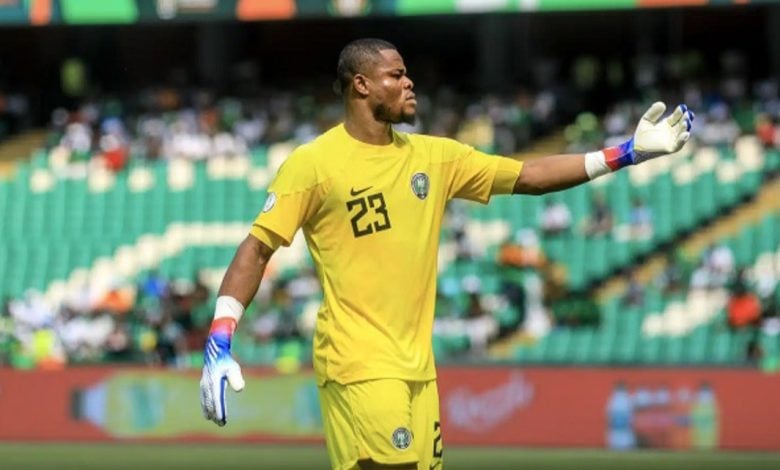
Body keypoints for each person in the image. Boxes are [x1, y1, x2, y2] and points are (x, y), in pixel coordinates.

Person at [199, 38, 693, 470]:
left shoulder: (434, 158)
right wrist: (221, 336)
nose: (410, 83)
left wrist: (626, 153)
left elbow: (529, 177)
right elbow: (258, 247)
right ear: (361, 86)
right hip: (358, 361)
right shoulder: (313, 164)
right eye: (396, 75)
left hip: (419, 369)